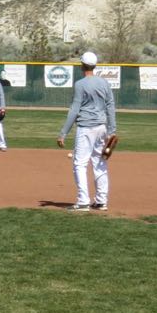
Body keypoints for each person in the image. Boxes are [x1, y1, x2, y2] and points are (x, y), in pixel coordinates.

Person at [56, 50, 117, 212]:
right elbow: (110, 105)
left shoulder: (80, 84)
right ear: (94, 65)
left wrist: (63, 133)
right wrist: (112, 130)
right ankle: (101, 201)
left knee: (80, 164)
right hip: (102, 127)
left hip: (86, 127)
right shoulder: (104, 83)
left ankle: (83, 201)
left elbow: (75, 109)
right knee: (100, 163)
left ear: (82, 65)